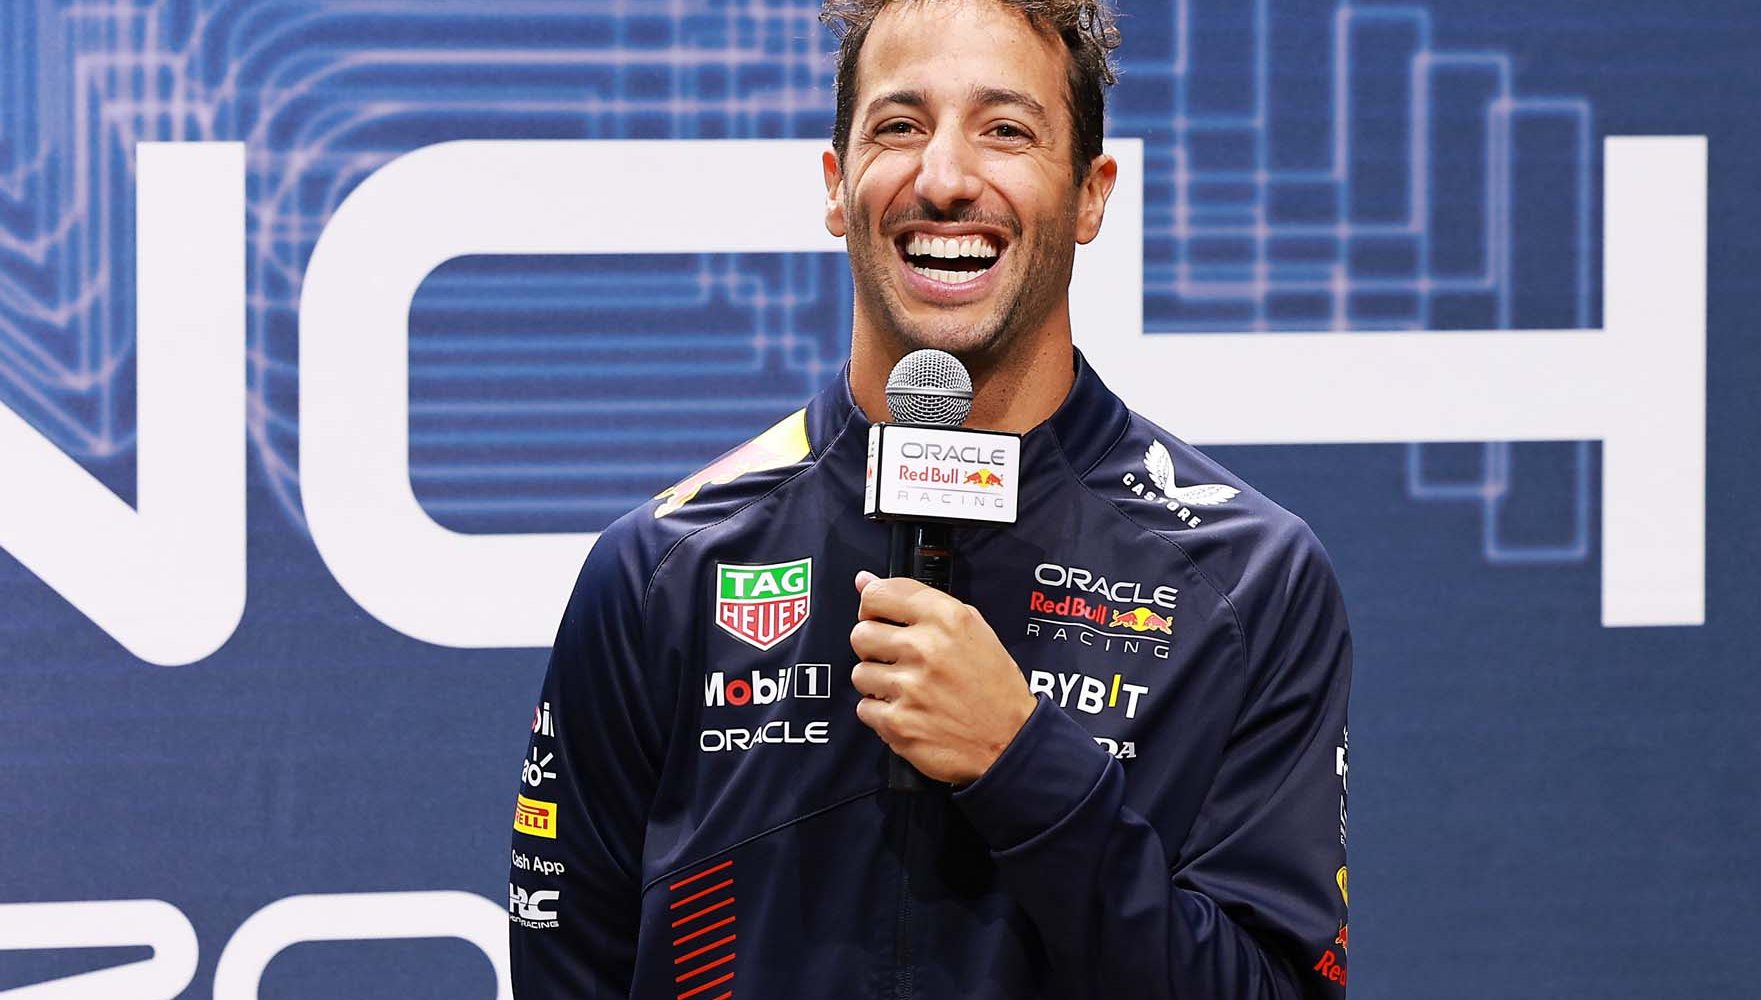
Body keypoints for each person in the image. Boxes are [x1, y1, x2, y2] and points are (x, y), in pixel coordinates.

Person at [507, 0, 1353, 996]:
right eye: (900, 126)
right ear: (836, 186)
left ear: (1091, 194)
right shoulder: (661, 572)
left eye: (1006, 129)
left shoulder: (1249, 582)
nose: (945, 180)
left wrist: (1025, 765)